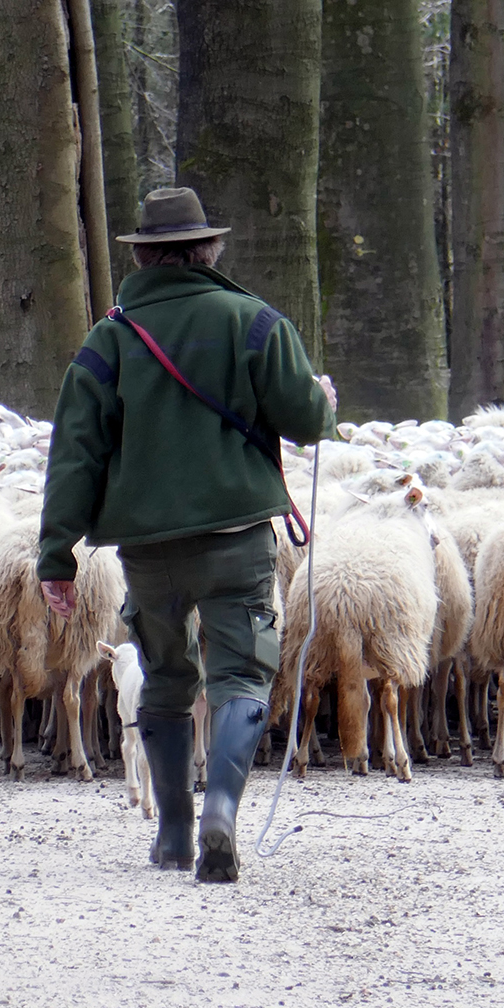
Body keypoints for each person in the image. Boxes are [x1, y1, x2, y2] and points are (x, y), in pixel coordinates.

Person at [37, 187, 335, 882]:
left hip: (150, 547)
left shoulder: (109, 339)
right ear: (210, 250)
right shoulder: (255, 323)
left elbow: (74, 451)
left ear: (143, 255)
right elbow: (308, 422)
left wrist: (58, 551)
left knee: (167, 678)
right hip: (237, 537)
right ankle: (221, 811)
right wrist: (321, 401)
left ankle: (172, 832)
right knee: (242, 673)